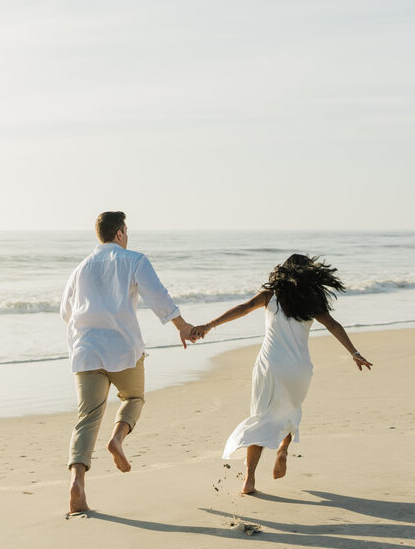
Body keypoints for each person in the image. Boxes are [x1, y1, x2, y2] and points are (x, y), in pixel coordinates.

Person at [193, 254, 372, 495]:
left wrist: (209, 325)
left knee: (261, 416)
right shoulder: (312, 301)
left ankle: (249, 479)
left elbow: (243, 309)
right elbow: (333, 325)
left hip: (270, 365)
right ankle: (283, 449)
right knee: (291, 411)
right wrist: (354, 352)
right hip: (299, 368)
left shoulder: (270, 295)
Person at [60, 211, 197, 515]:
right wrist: (182, 326)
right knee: (133, 397)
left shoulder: (80, 268)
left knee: (87, 417)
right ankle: (117, 439)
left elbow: (65, 312)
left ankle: (77, 483)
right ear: (120, 234)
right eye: (126, 231)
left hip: (85, 351)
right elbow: (157, 296)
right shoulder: (133, 259)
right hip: (123, 349)